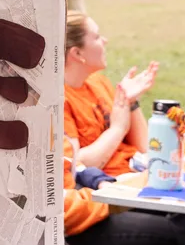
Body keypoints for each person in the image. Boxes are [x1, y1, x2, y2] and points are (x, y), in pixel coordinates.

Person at [63, 136, 185, 245]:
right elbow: (58, 209)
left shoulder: (47, 122)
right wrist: (110, 199)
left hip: (87, 208)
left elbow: (70, 162)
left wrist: (100, 181)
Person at [63, 11, 157, 177]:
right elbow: (74, 167)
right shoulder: (58, 101)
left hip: (140, 172)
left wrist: (131, 101)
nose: (105, 41)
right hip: (112, 188)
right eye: (97, 37)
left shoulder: (99, 83)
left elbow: (146, 147)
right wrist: (117, 129)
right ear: (77, 53)